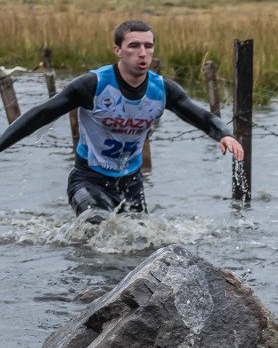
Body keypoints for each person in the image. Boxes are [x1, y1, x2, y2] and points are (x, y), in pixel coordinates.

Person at [0, 20, 244, 223]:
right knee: (97, 226)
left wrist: (225, 134)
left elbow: (201, 116)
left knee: (139, 242)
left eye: (148, 46)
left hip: (131, 182)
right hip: (88, 178)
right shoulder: (93, 85)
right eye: (134, 46)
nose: (142, 53)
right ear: (118, 50)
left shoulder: (162, 89)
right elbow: (40, 114)